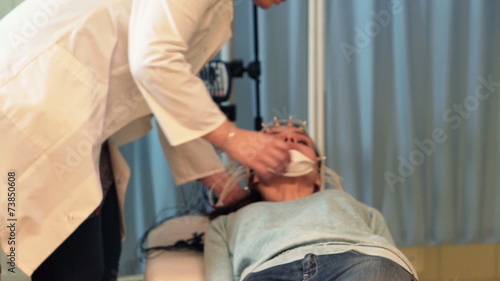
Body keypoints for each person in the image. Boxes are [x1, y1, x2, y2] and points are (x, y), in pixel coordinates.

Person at [0, 0, 291, 279]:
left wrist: (226, 190)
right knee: (79, 267)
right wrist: (232, 138)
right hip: (30, 105)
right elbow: (154, 63)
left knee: (100, 258)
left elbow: (171, 100)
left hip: (70, 118)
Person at [204, 117, 419, 281]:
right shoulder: (227, 223)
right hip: (267, 271)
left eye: (301, 141)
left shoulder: (351, 205)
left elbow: (393, 261)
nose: (289, 140)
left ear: (317, 175)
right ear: (255, 175)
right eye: (276, 139)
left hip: (358, 263)